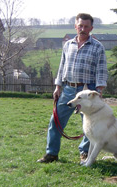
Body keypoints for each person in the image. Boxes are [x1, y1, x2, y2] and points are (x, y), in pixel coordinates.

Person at [37, 13, 108, 163]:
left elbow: (101, 70)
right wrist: (58, 87)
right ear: (75, 26)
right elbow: (62, 67)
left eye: (86, 26)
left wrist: (100, 90)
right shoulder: (68, 45)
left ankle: (85, 152)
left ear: (91, 28)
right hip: (68, 89)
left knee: (90, 125)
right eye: (80, 25)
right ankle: (51, 154)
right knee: (55, 121)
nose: (82, 29)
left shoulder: (97, 47)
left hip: (88, 92)